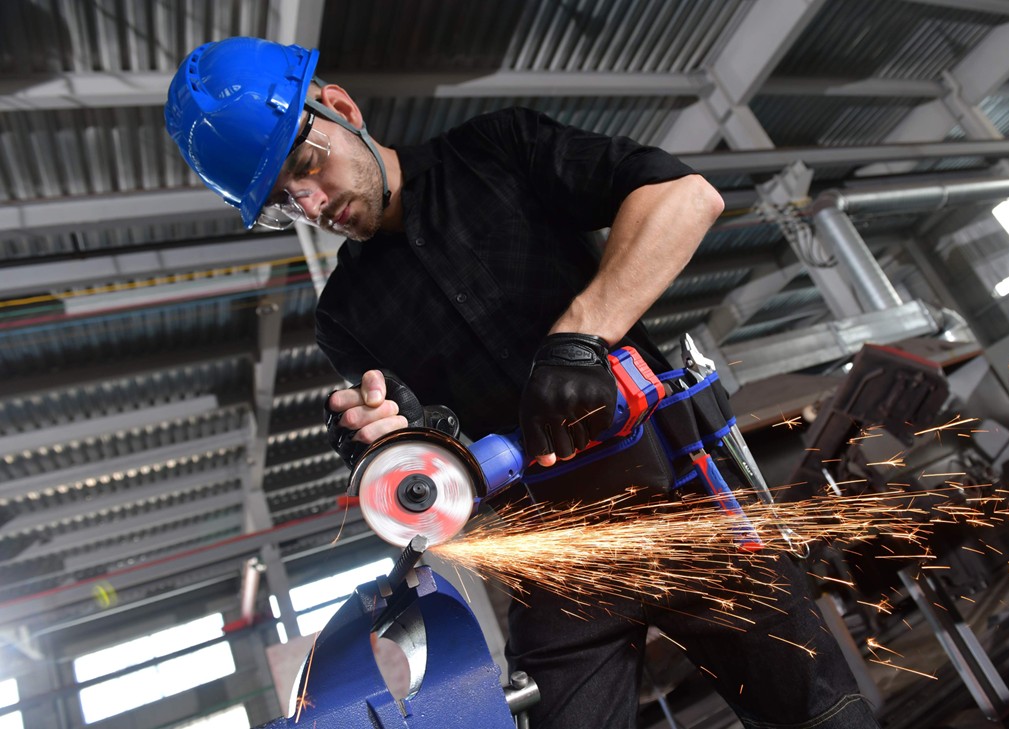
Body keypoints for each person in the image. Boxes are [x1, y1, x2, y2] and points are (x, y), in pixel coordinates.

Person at [165, 36, 880, 729]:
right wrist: (383, 447)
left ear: (343, 110)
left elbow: (684, 197)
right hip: (555, 566)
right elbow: (429, 450)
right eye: (285, 203)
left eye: (307, 164)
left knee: (818, 716)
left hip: (682, 501)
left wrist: (581, 334)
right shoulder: (342, 317)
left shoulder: (496, 150)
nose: (313, 206)